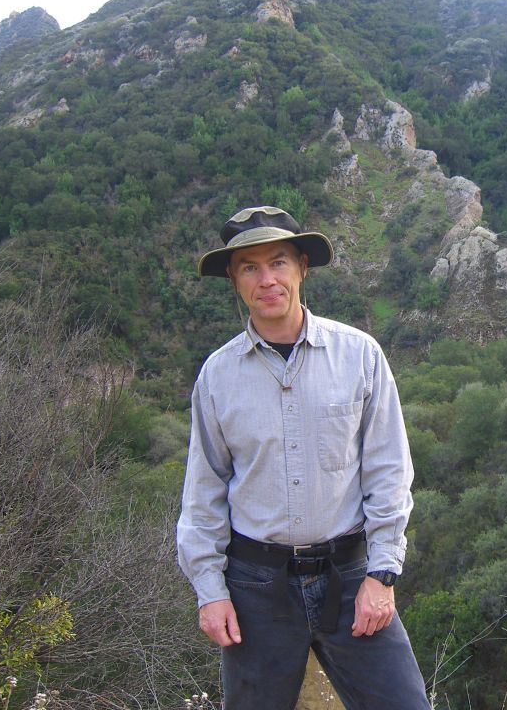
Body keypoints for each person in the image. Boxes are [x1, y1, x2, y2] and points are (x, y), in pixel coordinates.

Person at [177, 206, 430, 709]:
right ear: (233, 279)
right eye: (249, 267)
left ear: (302, 269)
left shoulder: (359, 355)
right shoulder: (218, 375)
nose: (266, 279)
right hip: (255, 588)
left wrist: (382, 575)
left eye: (278, 262)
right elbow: (204, 493)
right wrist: (210, 589)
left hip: (351, 576)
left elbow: (389, 472)